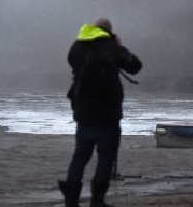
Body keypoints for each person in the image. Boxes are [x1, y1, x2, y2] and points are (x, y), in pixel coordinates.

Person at [58, 18, 142, 207]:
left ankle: (71, 201)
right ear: (108, 32)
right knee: (106, 157)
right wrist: (118, 46)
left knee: (79, 157)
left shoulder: (77, 47)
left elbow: (73, 63)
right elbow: (136, 66)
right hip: (108, 115)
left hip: (83, 114)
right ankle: (97, 201)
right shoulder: (112, 48)